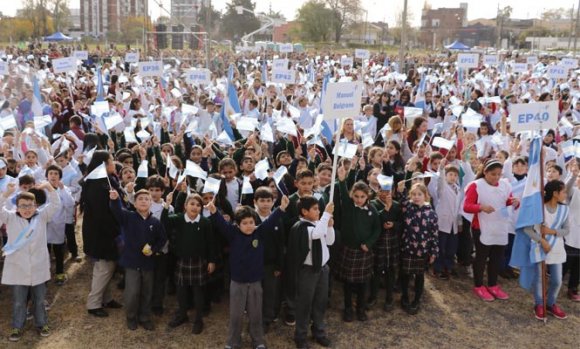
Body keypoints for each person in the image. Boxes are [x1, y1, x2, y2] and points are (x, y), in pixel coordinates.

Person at [208, 195, 289, 349]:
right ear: (237, 225)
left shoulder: (259, 232)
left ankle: (258, 340)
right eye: (244, 223)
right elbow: (221, 224)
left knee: (256, 314)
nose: (249, 225)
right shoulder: (233, 233)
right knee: (236, 315)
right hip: (237, 282)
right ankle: (233, 341)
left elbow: (271, 221)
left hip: (255, 282)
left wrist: (282, 208)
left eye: (251, 222)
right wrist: (213, 211)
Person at [0, 181, 60, 342]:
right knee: (19, 301)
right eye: (22, 205)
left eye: (30, 205)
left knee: (39, 299)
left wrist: (49, 187)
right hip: (18, 267)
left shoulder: (41, 216)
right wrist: (5, 195)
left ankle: (41, 323)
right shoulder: (11, 218)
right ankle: (17, 326)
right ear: (17, 207)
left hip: (38, 265)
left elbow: (55, 203)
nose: (26, 209)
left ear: (36, 205)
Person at [110, 189, 167, 331]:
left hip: (148, 264)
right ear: (134, 204)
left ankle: (145, 317)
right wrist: (115, 200)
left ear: (151, 203)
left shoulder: (155, 222)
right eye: (140, 199)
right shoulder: (128, 217)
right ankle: (131, 317)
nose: (143, 201)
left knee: (147, 292)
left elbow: (162, 239)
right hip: (131, 263)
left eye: (146, 199)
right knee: (132, 292)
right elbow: (117, 211)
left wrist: (153, 249)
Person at [463, 159, 520, 302]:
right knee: (482, 257)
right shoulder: (476, 186)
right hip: (482, 227)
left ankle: (493, 284)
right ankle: (478, 285)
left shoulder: (505, 185)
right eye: (493, 174)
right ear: (485, 172)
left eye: (499, 175)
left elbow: (505, 200)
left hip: (500, 226)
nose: (496, 178)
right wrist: (481, 207)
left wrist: (514, 202)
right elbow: (467, 206)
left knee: (497, 256)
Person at [162, 193, 215, 334]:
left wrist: (211, 260)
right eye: (192, 204)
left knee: (198, 293)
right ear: (185, 206)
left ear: (201, 208)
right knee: (181, 291)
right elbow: (164, 221)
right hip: (182, 261)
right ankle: (182, 315)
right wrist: (166, 205)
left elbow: (210, 243)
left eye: (198, 205)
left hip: (199, 262)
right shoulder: (178, 218)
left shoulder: (205, 222)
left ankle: (198, 319)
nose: (195, 207)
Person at [81, 150, 125, 317]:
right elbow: (102, 213)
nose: (114, 162)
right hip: (101, 233)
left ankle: (106, 299)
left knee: (109, 267)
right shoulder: (97, 184)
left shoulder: (106, 181)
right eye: (111, 160)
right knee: (103, 268)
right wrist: (114, 230)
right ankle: (93, 304)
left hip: (106, 231)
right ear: (104, 164)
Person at [287, 197, 335, 349]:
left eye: (319, 209)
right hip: (308, 271)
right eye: (315, 209)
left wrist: (330, 226)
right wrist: (326, 215)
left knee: (320, 302)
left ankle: (318, 331)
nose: (319, 211)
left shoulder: (317, 224)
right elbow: (314, 234)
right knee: (305, 304)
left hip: (322, 269)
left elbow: (329, 241)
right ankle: (300, 336)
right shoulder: (302, 226)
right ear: (304, 211)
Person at [336, 166, 380, 322]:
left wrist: (369, 243)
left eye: (362, 196)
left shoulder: (372, 209)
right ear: (352, 195)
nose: (359, 199)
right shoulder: (348, 206)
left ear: (367, 196)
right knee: (348, 283)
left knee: (362, 283)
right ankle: (348, 308)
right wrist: (342, 180)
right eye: (356, 196)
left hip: (364, 252)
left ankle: (360, 308)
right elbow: (342, 191)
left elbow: (377, 229)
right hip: (349, 250)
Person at [522, 180, 570, 320]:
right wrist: (541, 240)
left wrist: (551, 231)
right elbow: (527, 229)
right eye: (564, 191)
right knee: (539, 279)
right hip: (539, 246)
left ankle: (550, 303)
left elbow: (566, 230)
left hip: (556, 248)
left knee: (557, 280)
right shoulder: (539, 209)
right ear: (555, 193)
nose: (566, 194)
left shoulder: (564, 209)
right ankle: (539, 304)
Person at [399, 183, 438, 314]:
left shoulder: (431, 213)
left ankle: (417, 298)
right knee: (405, 274)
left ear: (425, 196)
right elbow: (401, 197)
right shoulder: (408, 208)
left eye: (419, 194)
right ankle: (404, 297)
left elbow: (434, 234)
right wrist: (401, 188)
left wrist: (433, 252)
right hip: (408, 248)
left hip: (423, 251)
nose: (416, 197)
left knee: (419, 276)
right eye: (414, 194)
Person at [368, 180, 402, 312]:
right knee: (376, 269)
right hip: (379, 242)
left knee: (391, 270)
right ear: (377, 191)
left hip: (392, 242)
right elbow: (374, 221)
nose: (385, 194)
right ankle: (373, 296)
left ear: (393, 192)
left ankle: (389, 297)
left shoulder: (397, 205)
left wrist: (394, 225)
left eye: (388, 191)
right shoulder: (373, 204)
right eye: (382, 190)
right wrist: (386, 208)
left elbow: (402, 223)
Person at [45, 164, 75, 286]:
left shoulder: (64, 189)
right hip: (45, 225)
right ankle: (45, 274)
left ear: (60, 177)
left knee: (58, 251)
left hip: (58, 225)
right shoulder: (43, 188)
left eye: (56, 174)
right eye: (51, 173)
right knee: (44, 251)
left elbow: (70, 204)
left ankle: (59, 273)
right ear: (47, 176)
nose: (53, 176)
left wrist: (63, 190)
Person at [433, 160, 462, 279]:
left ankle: (448, 266)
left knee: (451, 247)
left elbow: (459, 207)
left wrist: (459, 222)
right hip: (443, 222)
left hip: (453, 224)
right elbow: (440, 182)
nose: (453, 177)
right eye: (450, 174)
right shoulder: (442, 188)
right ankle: (438, 268)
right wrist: (441, 168)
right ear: (445, 175)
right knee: (440, 246)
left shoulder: (458, 189)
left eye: (455, 175)